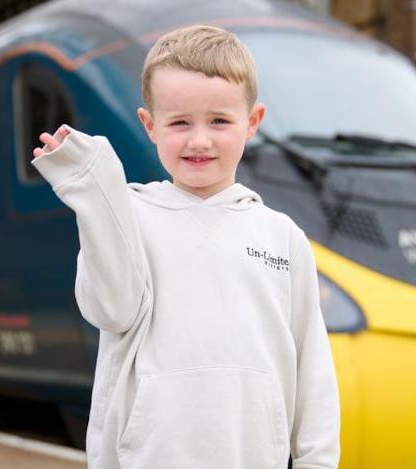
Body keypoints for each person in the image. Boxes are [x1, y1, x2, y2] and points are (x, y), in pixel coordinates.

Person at [30, 24, 340, 469]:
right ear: (150, 126)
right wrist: (97, 199)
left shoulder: (282, 236)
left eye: (219, 120)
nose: (199, 140)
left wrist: (317, 461)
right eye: (179, 123)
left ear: (252, 122)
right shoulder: (125, 217)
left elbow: (313, 366)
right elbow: (111, 310)